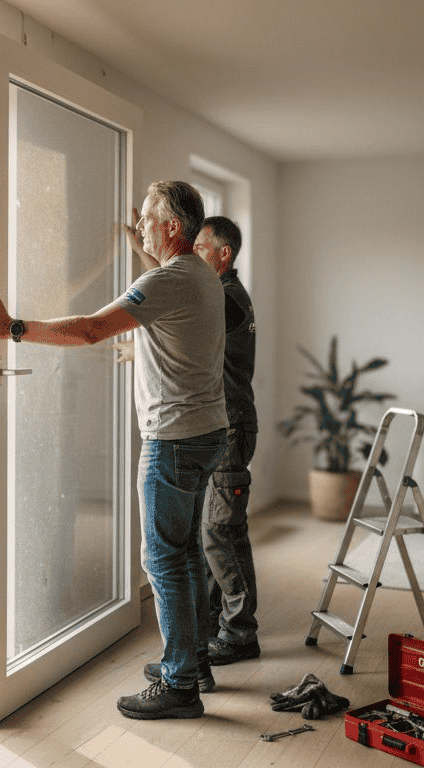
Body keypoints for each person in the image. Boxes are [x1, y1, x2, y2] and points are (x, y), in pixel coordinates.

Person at [0, 180, 226, 721]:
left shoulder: (165, 280)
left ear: (173, 228)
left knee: (161, 557)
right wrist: (142, 243)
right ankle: (191, 661)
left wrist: (12, 328)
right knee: (181, 553)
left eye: (149, 219)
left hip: (175, 439)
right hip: (206, 432)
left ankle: (181, 684)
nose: (140, 226)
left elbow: (90, 330)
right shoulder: (201, 273)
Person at [123, 216, 260, 692]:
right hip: (222, 422)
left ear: (223, 254)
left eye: (201, 248)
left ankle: (239, 634)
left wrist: (153, 264)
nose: (194, 257)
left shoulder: (228, 298)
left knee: (220, 534)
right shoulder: (219, 292)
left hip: (223, 423)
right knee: (199, 542)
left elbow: (186, 313)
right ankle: (193, 652)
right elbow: (179, 316)